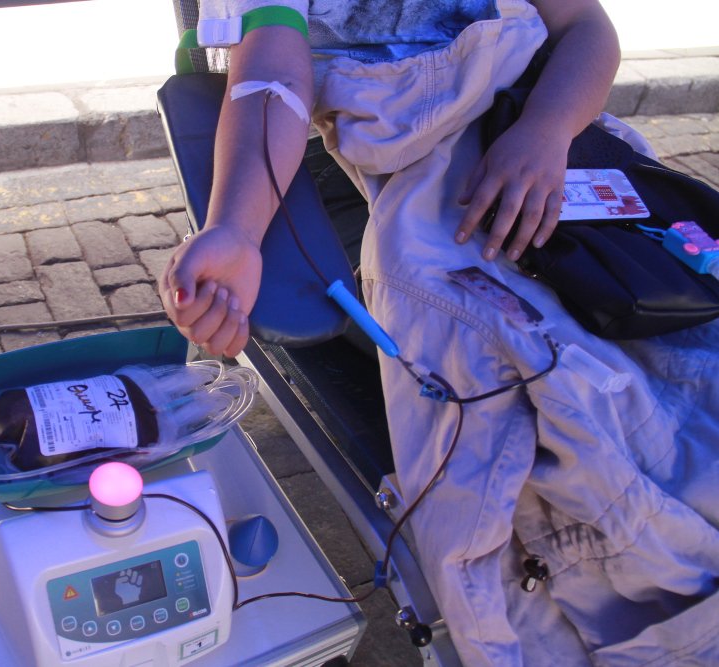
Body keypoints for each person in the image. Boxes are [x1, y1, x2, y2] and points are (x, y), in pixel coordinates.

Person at [158, 1, 719, 666]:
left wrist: (545, 129)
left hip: (562, 145)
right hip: (426, 188)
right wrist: (236, 230)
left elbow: (587, 30)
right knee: (561, 406)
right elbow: (270, 77)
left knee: (682, 348)